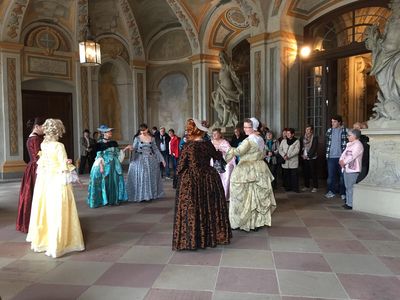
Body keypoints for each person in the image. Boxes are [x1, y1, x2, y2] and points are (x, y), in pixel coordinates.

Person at [26, 119, 85, 258]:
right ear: (58, 131)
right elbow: (63, 166)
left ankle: (45, 240)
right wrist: (71, 168)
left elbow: (44, 162)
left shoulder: (44, 144)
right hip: (58, 181)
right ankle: (61, 242)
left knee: (48, 208)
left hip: (46, 180)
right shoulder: (59, 146)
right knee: (60, 208)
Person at [173, 118, 231, 250]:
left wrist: (180, 177)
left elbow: (180, 166)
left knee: (193, 207)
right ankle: (212, 236)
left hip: (192, 180)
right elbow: (218, 157)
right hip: (209, 178)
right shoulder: (208, 144)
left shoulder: (188, 146)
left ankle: (194, 239)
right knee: (209, 207)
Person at [225, 117, 276, 231]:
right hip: (260, 168)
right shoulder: (260, 138)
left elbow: (238, 152)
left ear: (253, 127)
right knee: (255, 196)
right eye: (244, 127)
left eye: (247, 127)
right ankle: (256, 222)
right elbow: (263, 153)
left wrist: (226, 149)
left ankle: (245, 222)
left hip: (247, 169)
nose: (245, 129)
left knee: (245, 195)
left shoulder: (249, 140)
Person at [87, 125, 128, 208]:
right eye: (109, 131)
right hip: (106, 165)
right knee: (105, 182)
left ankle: (114, 200)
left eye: (110, 131)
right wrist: (101, 166)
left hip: (114, 164)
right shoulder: (99, 144)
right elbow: (99, 156)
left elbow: (117, 154)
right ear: (104, 133)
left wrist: (126, 149)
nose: (110, 133)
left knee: (115, 181)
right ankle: (105, 200)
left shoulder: (113, 143)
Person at [124, 124, 166, 202]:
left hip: (150, 160)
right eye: (141, 130)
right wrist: (130, 147)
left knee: (149, 177)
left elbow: (156, 149)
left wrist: (162, 160)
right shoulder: (137, 138)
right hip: (140, 159)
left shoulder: (152, 138)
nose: (142, 132)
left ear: (147, 129)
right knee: (143, 176)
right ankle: (141, 195)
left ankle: (149, 195)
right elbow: (134, 148)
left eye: (144, 130)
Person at [16, 117, 44, 233]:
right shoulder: (36, 139)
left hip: (31, 168)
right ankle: (36, 223)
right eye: (43, 126)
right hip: (36, 168)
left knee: (30, 195)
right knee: (36, 195)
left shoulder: (30, 138)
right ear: (37, 127)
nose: (44, 129)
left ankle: (28, 222)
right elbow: (39, 156)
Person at [211, 51, 243, 128]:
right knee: (217, 106)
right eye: (220, 58)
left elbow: (234, 76)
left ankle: (225, 123)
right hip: (221, 88)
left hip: (229, 89)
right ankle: (228, 121)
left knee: (226, 106)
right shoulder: (221, 68)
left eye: (222, 58)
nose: (221, 60)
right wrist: (219, 81)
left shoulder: (229, 67)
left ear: (225, 58)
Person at [339, 129, 364, 210]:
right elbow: (344, 153)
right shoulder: (350, 144)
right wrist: (341, 160)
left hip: (353, 169)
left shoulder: (358, 145)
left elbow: (352, 156)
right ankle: (348, 202)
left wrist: (344, 162)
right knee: (347, 186)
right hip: (346, 168)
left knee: (350, 187)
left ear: (355, 136)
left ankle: (351, 204)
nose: (347, 137)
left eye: (349, 135)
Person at [325, 115, 348, 199]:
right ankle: (331, 191)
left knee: (342, 176)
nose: (332, 123)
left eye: (334, 121)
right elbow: (327, 142)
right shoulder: (329, 131)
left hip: (342, 158)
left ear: (339, 122)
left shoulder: (345, 131)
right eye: (332, 121)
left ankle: (343, 193)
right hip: (331, 157)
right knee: (331, 176)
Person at [211, 128, 236, 200]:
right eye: (213, 134)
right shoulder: (211, 142)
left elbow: (230, 152)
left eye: (216, 133)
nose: (214, 135)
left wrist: (222, 152)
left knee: (227, 171)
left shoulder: (224, 142)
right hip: (213, 162)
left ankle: (224, 195)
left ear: (220, 134)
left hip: (223, 162)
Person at [279, 128, 300, 193]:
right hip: (285, 161)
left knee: (294, 176)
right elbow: (280, 149)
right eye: (286, 133)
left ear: (293, 134)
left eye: (289, 133)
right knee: (286, 175)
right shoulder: (283, 141)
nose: (287, 134)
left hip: (293, 161)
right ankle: (288, 188)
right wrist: (284, 155)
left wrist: (288, 156)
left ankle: (295, 188)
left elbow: (296, 150)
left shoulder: (297, 141)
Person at [300, 125, 319, 192]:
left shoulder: (315, 137)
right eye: (306, 129)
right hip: (304, 156)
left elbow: (314, 148)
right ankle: (306, 186)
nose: (307, 131)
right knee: (306, 172)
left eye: (309, 129)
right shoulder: (302, 137)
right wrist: (302, 154)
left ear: (311, 130)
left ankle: (315, 187)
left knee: (313, 172)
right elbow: (301, 146)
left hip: (312, 157)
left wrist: (308, 155)